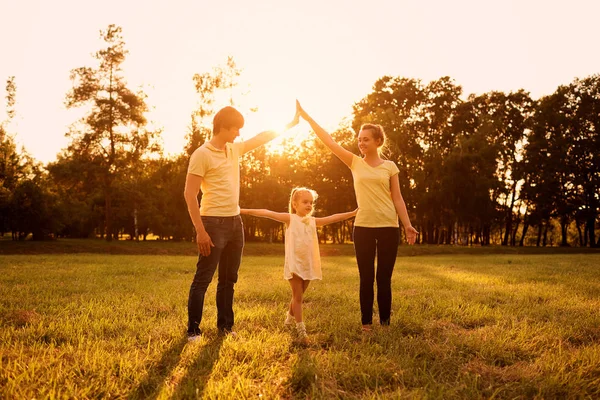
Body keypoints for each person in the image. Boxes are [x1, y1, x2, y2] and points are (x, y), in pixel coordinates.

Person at [296, 100, 418, 331]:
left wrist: (407, 225)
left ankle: (384, 324)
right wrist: (308, 117)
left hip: (388, 227)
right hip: (362, 227)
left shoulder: (390, 166)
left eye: (366, 139)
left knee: (383, 278)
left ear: (378, 142)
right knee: (365, 278)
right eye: (359, 139)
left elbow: (398, 198)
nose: (361, 143)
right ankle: (366, 324)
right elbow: (329, 141)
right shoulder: (354, 163)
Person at [184, 105, 299, 341]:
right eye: (236, 129)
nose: (238, 134)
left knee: (229, 280)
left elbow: (262, 138)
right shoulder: (201, 154)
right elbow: (189, 194)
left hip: (235, 223)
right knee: (203, 279)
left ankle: (225, 327)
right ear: (223, 127)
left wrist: (290, 123)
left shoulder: (233, 150)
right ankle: (193, 330)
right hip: (212, 223)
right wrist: (201, 231)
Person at [241, 187, 357, 342]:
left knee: (298, 295)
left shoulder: (313, 221)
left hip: (308, 264)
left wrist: (353, 213)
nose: (309, 205)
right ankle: (301, 329)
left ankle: (289, 319)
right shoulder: (290, 219)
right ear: (295, 204)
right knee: (298, 297)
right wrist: (242, 210)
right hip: (295, 264)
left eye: (311, 202)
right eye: (305, 202)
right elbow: (266, 212)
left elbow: (333, 218)